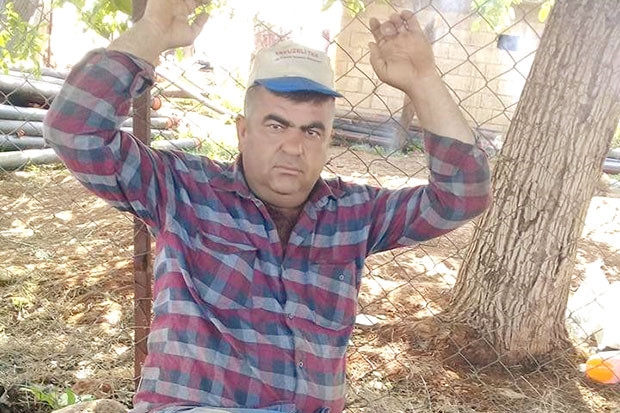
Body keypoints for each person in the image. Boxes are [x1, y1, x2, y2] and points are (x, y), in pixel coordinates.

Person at [44, 1, 491, 412]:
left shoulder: (353, 214)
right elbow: (75, 130)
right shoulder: (184, 189)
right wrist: (154, 30)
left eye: (312, 131)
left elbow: (463, 194)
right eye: (276, 125)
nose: (294, 147)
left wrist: (423, 80)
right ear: (243, 131)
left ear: (328, 141)